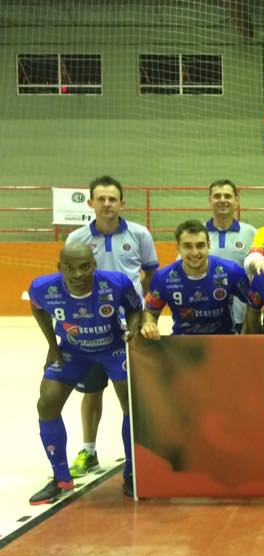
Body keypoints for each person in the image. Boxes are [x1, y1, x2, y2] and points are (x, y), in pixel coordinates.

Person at [27, 244, 143, 503]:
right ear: (59, 268)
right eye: (69, 268)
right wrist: (52, 345)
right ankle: (61, 478)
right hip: (73, 351)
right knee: (46, 402)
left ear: (94, 265)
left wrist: (133, 331)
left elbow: (135, 309)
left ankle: (131, 474)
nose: (77, 274)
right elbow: (37, 308)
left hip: (113, 348)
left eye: (84, 267)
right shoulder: (42, 287)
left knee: (132, 405)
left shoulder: (116, 283)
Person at [63, 175, 158, 479]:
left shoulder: (139, 234)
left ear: (122, 203)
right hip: (92, 330)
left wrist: (139, 308)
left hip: (130, 328)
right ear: (90, 202)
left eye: (112, 199)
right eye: (101, 199)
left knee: (133, 397)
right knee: (92, 392)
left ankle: (137, 458)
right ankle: (89, 451)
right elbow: (69, 280)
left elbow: (150, 273)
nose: (107, 204)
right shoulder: (76, 238)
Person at [141, 221, 249, 338]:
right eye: (187, 246)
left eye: (200, 245)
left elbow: (253, 303)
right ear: (178, 248)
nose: (195, 253)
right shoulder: (163, 278)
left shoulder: (231, 271)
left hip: (224, 341)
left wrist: (246, 335)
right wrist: (148, 323)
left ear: (209, 245)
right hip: (183, 342)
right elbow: (150, 312)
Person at [205, 179, 257, 332]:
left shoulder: (251, 233)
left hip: (243, 317)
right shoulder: (198, 233)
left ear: (236, 201)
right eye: (217, 196)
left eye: (227, 196)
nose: (222, 200)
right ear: (209, 200)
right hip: (205, 317)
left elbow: (259, 277)